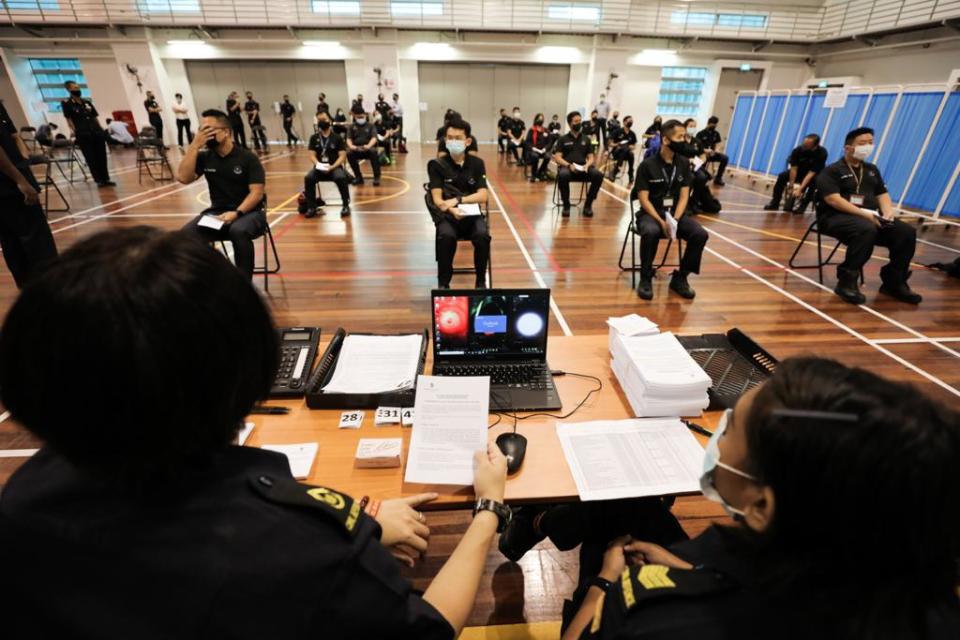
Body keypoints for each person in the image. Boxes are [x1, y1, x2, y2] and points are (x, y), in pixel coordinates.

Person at [0, 226, 511, 639]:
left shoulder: (22, 502)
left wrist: (363, 519)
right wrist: (487, 511)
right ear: (250, 371)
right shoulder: (304, 556)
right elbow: (431, 628)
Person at [556, 357, 960, 639]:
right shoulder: (933, 609)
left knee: (614, 520)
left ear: (763, 507)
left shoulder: (655, 617)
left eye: (730, 430)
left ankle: (541, 525)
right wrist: (693, 571)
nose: (719, 434)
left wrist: (604, 584)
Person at [816, 127, 921, 305]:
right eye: (862, 143)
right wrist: (865, 215)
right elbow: (834, 200)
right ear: (848, 148)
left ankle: (894, 282)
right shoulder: (832, 171)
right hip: (835, 217)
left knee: (906, 232)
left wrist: (887, 213)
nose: (868, 146)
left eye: (871, 142)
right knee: (866, 229)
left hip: (871, 217)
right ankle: (846, 281)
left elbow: (882, 194)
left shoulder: (872, 169)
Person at [178, 109, 267, 281]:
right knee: (185, 235)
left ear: (226, 132)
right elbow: (183, 178)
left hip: (249, 213)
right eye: (201, 130)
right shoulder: (206, 157)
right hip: (217, 213)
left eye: (209, 130)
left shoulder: (248, 158)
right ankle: (208, 279)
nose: (205, 134)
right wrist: (194, 146)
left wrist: (236, 213)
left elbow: (256, 193)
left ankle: (243, 284)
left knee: (238, 230)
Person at [629, 118, 709, 301]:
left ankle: (680, 278)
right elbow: (643, 199)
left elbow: (684, 196)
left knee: (700, 234)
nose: (685, 141)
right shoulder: (647, 165)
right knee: (651, 231)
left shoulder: (682, 164)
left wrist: (675, 220)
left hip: (675, 214)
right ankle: (646, 277)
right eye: (680, 137)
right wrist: (661, 220)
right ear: (666, 140)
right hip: (651, 214)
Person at [428, 117, 490, 289]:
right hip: (448, 216)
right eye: (449, 137)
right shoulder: (437, 165)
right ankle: (444, 284)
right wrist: (451, 210)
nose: (453, 141)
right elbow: (437, 199)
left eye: (457, 138)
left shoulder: (477, 164)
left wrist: (458, 200)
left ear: (468, 141)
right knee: (446, 237)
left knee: (482, 236)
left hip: (472, 215)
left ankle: (480, 282)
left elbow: (483, 195)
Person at [0, 99, 57, 288]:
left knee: (12, 240)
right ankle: (48, 288)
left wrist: (23, 159)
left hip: (13, 177)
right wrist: (20, 180)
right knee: (34, 238)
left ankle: (30, 291)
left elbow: (13, 135)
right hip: (8, 185)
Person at [60, 81, 114, 187]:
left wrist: (101, 129)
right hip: (83, 134)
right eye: (75, 87)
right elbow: (69, 119)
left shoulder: (87, 102)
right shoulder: (67, 103)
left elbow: (94, 117)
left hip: (96, 132)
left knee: (101, 156)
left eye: (78, 87)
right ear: (69, 90)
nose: (78, 89)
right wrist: (75, 131)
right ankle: (99, 180)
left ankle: (106, 178)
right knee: (91, 157)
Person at [553, 111, 604, 218]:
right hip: (568, 168)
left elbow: (591, 157)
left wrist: (587, 165)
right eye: (576, 121)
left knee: (598, 175)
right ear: (570, 123)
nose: (579, 123)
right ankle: (566, 205)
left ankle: (588, 204)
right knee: (563, 175)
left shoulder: (586, 139)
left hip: (583, 168)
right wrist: (568, 165)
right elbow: (557, 157)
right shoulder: (563, 139)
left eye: (580, 121)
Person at [303, 111, 350, 219]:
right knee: (309, 178)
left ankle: (345, 205)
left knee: (341, 177)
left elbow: (342, 156)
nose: (322, 122)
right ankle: (311, 207)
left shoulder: (337, 138)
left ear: (329, 120)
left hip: (334, 167)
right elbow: (311, 155)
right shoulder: (314, 138)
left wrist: (332, 167)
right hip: (319, 168)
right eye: (320, 120)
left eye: (324, 119)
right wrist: (319, 165)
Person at [764, 134, 827, 214]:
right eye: (804, 143)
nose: (804, 146)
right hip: (799, 172)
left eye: (807, 145)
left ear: (815, 146)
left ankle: (803, 206)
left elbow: (811, 173)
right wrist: (791, 186)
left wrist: (800, 189)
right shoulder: (797, 150)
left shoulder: (822, 153)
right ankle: (775, 202)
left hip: (812, 175)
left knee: (816, 182)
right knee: (782, 176)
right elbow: (793, 169)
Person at [346, 108, 380, 187]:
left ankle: (376, 177)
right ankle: (358, 177)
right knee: (349, 153)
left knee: (373, 152)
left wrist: (368, 146)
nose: (360, 119)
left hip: (368, 148)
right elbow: (348, 139)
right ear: (355, 117)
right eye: (358, 117)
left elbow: (374, 138)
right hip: (356, 148)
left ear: (365, 115)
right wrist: (351, 146)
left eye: (362, 117)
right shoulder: (351, 127)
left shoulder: (371, 126)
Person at [695, 115, 729, 186]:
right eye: (713, 124)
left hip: (712, 154)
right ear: (709, 123)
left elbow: (718, 144)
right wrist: (705, 151)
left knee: (725, 158)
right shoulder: (700, 134)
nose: (715, 125)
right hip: (702, 154)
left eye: (716, 124)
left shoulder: (716, 134)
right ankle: (701, 178)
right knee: (701, 162)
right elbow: (697, 147)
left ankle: (718, 178)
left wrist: (717, 150)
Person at [608, 115, 637, 183]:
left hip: (626, 154)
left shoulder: (632, 134)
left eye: (631, 121)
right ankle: (629, 173)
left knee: (630, 154)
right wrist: (617, 144)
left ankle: (618, 169)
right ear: (624, 122)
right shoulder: (617, 131)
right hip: (616, 152)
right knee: (624, 149)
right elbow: (610, 143)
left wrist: (630, 146)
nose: (630, 122)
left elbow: (634, 146)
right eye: (629, 120)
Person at [524, 113, 552, 183]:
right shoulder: (531, 130)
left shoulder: (546, 130)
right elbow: (527, 142)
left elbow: (549, 142)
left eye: (542, 119)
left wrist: (545, 149)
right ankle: (534, 175)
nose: (540, 120)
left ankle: (539, 172)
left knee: (548, 157)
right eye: (539, 118)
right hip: (534, 150)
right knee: (535, 156)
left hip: (543, 150)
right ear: (536, 120)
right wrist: (533, 148)